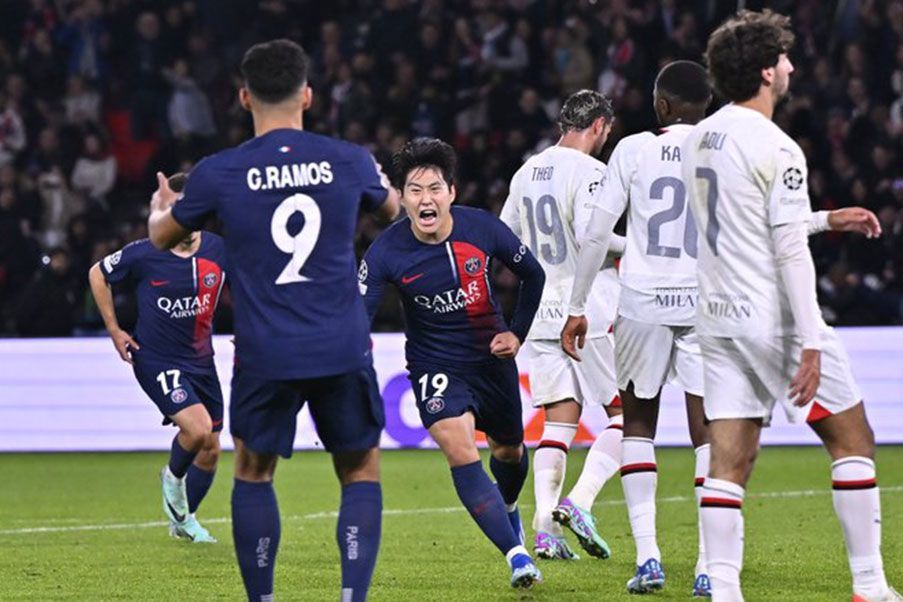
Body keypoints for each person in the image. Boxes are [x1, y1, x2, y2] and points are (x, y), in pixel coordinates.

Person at [561, 60, 885, 598]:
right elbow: (766, 222)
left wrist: (578, 305)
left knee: (637, 424)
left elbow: (597, 233)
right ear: (706, 105)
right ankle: (710, 567)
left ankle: (648, 559)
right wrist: (826, 219)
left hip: (641, 302)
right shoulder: (721, 145)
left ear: (661, 105)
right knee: (709, 431)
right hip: (705, 304)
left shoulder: (634, 149)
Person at [147, 39, 400, 602]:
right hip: (341, 343)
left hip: (266, 352)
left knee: (254, 474)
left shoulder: (219, 172)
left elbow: (162, 237)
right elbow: (394, 211)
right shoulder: (347, 158)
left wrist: (161, 209)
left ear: (243, 97)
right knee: (360, 473)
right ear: (308, 94)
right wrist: (378, 179)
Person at [681, 11, 899, 601]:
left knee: (731, 459)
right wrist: (808, 340)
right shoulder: (779, 146)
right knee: (852, 440)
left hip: (717, 318)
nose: (792, 68)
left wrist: (827, 219)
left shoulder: (702, 136)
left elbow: (747, 218)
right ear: (764, 72)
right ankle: (870, 586)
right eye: (784, 59)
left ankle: (724, 591)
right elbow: (784, 248)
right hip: (772, 317)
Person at [360, 137, 545, 588]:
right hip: (434, 364)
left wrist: (516, 333)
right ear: (401, 198)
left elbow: (533, 274)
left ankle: (507, 510)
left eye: (435, 188)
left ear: (451, 193)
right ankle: (517, 555)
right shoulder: (385, 252)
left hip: (490, 360)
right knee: (461, 451)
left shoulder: (482, 228)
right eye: (415, 190)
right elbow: (357, 319)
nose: (426, 199)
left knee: (509, 450)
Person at [499, 89, 624, 562]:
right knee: (625, 416)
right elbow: (596, 237)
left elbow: (505, 237)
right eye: (606, 132)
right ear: (598, 126)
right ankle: (580, 500)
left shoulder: (527, 170)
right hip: (588, 308)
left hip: (540, 310)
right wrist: (638, 248)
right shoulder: (594, 173)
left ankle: (544, 529)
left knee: (558, 422)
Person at [88, 173, 225, 543]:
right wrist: (115, 330)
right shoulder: (145, 253)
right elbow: (97, 274)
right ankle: (172, 477)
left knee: (211, 448)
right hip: (157, 359)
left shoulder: (219, 249)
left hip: (202, 361)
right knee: (195, 430)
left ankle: (184, 522)